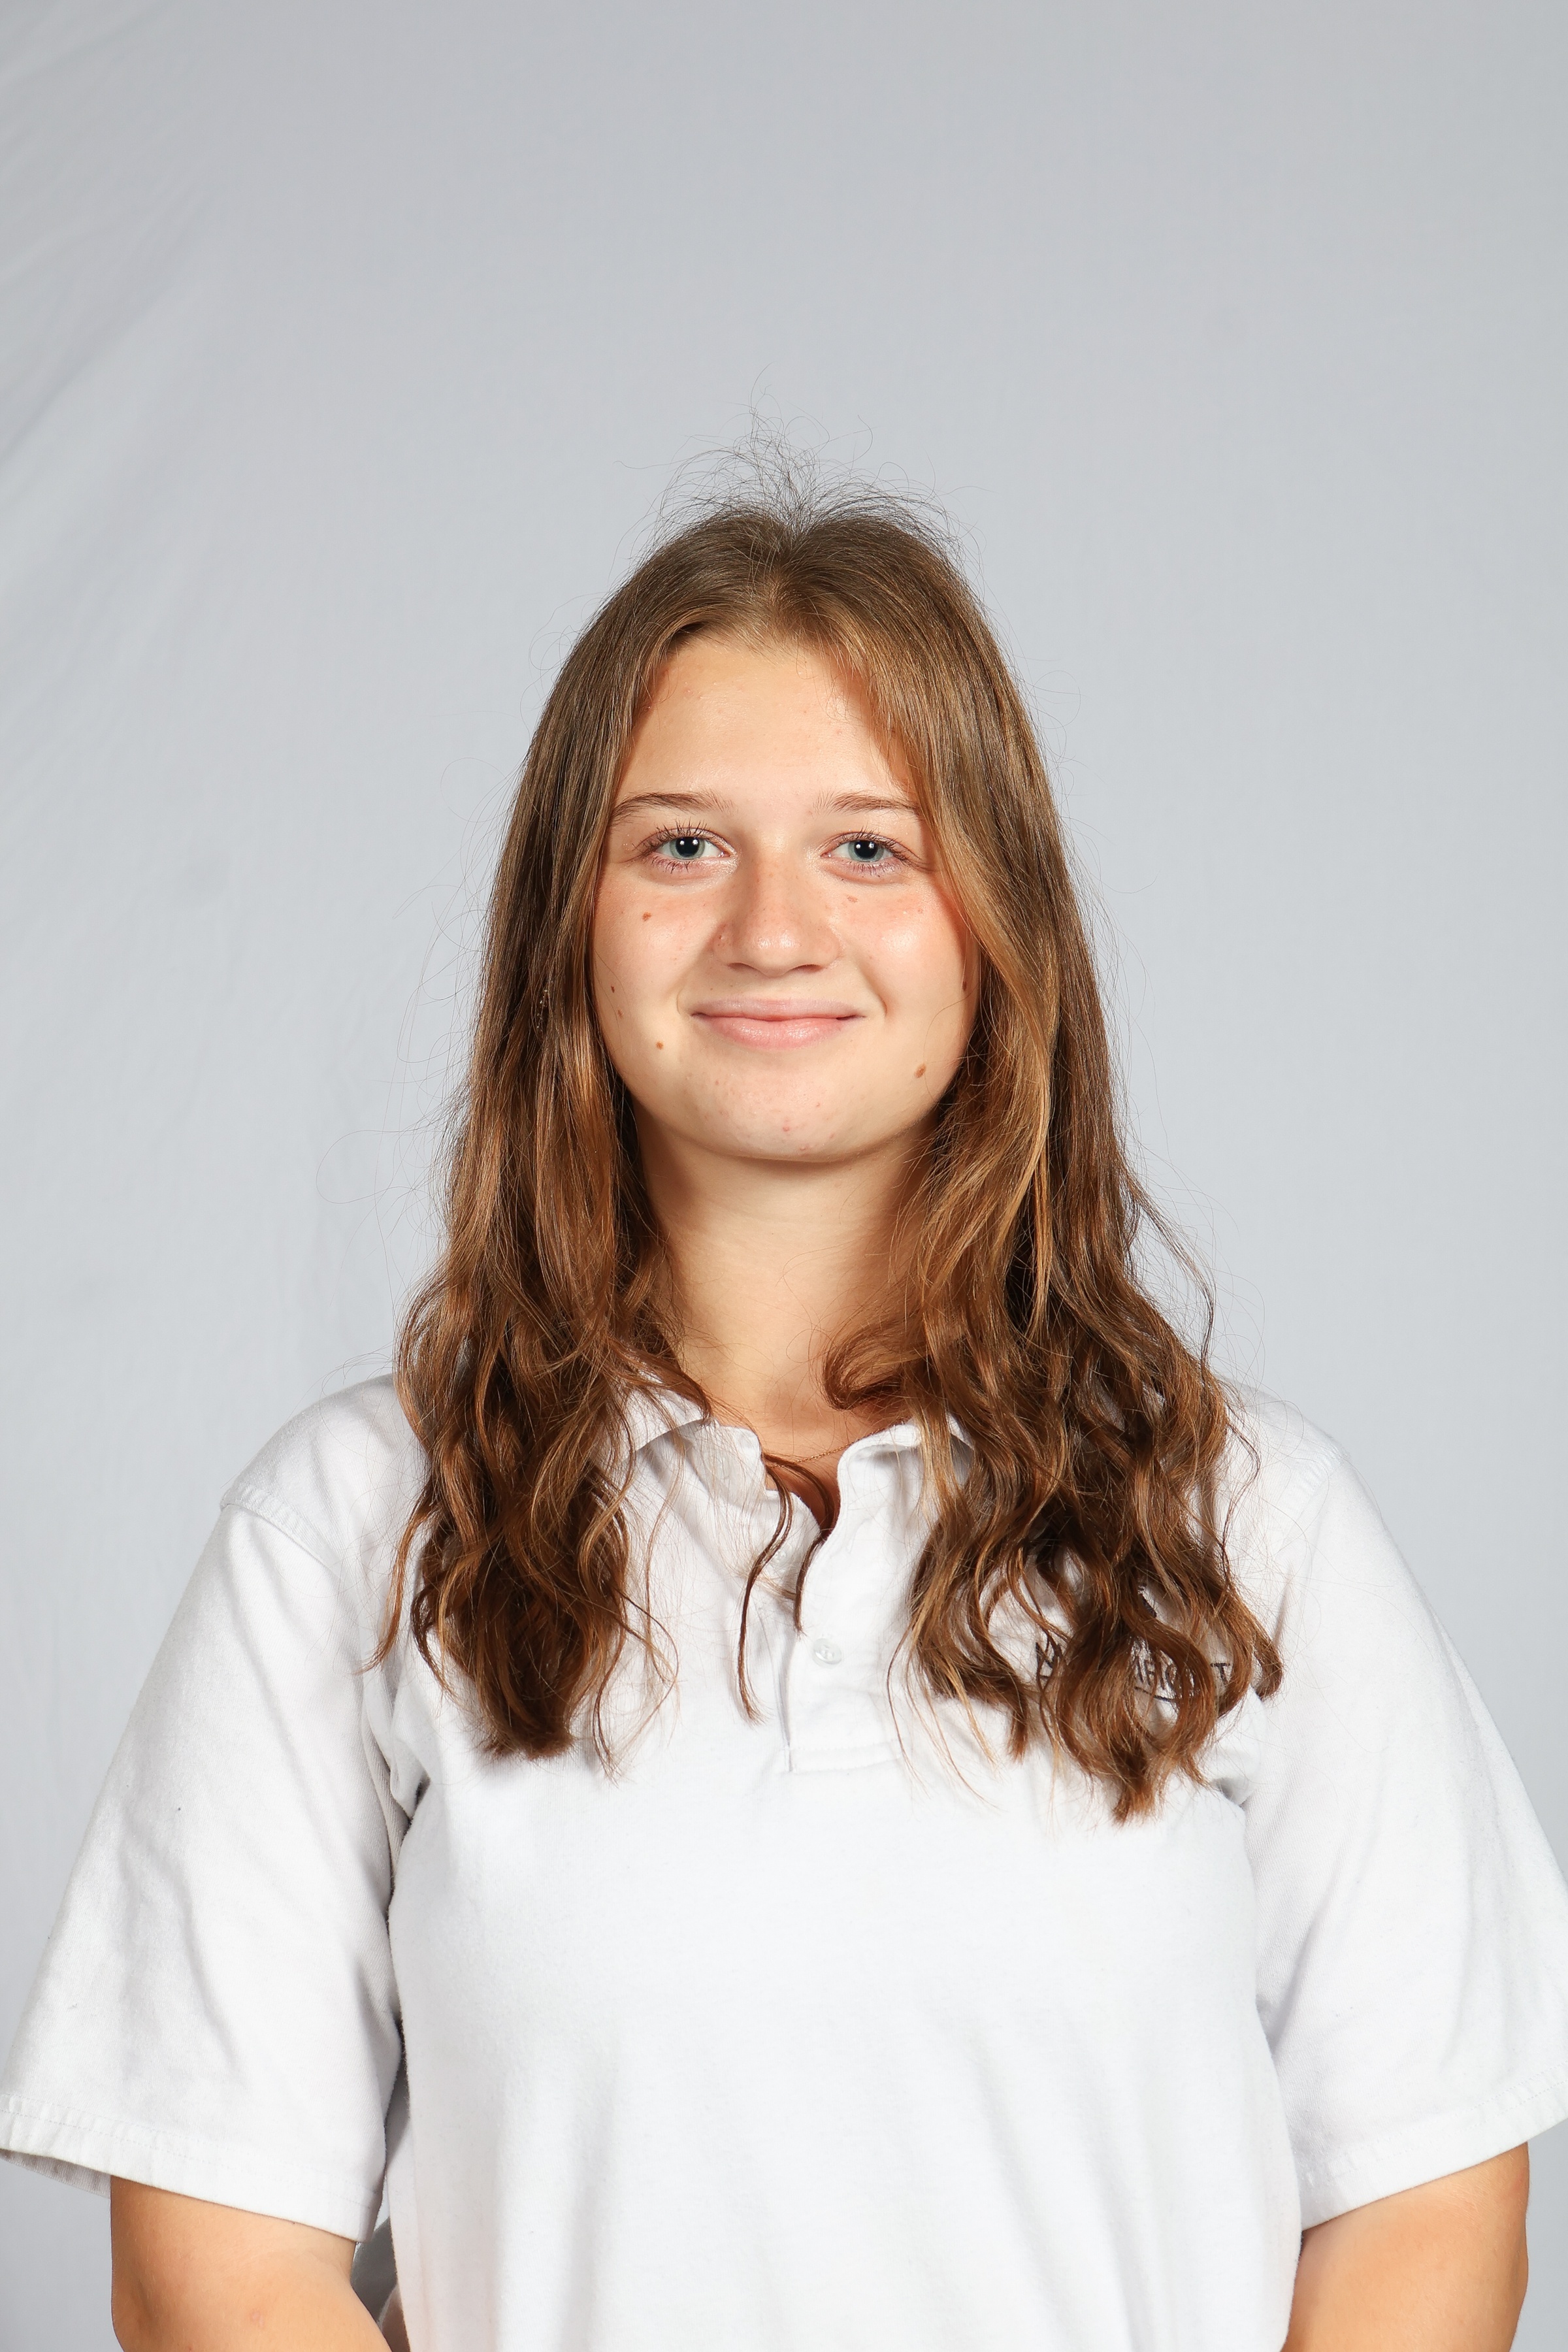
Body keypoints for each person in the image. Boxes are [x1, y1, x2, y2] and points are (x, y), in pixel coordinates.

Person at [3, 481, 1566, 2352]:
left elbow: (1425, 2206)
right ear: (569, 923)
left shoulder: (1246, 1524)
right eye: (680, 846)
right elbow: (214, 2271)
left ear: (994, 926)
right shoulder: (348, 1533)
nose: (773, 929)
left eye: (869, 848)